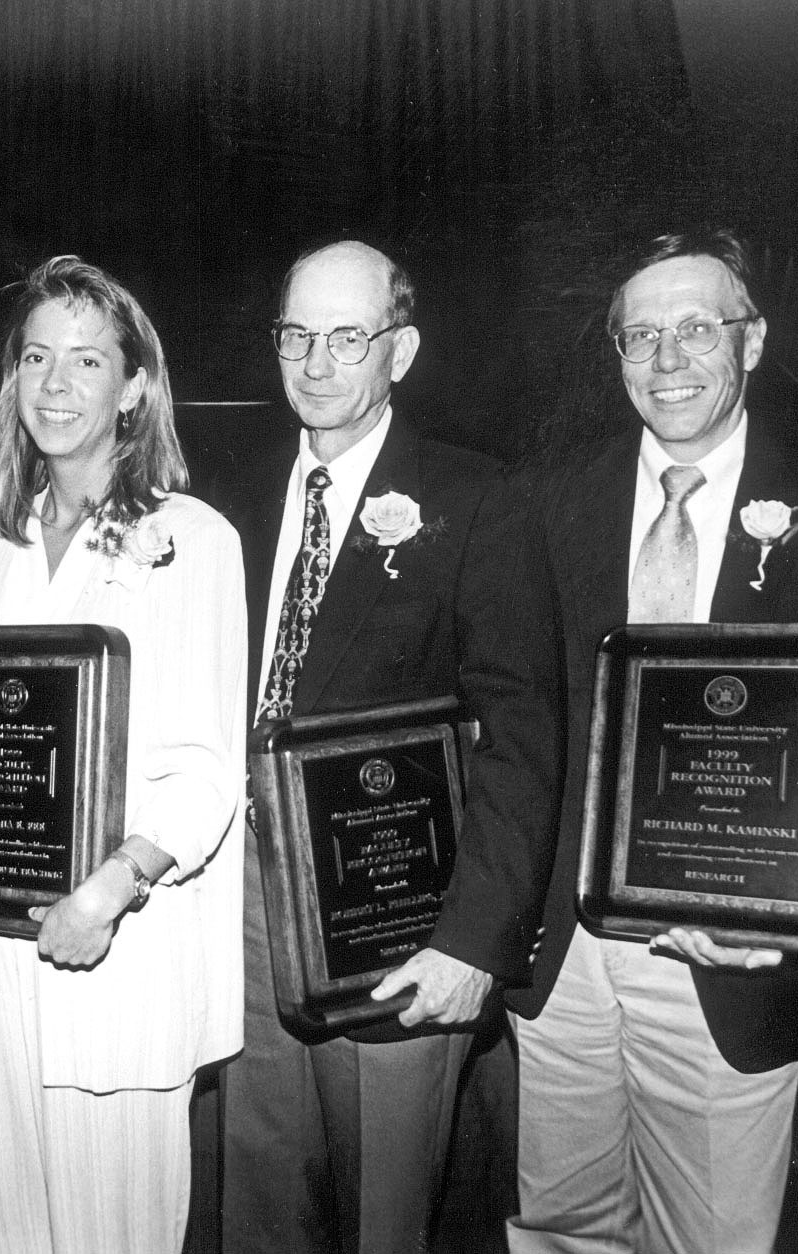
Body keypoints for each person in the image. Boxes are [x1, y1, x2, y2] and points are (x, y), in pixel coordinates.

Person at [507, 228, 798, 1253]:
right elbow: (515, 711)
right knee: (561, 1229)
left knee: (710, 1239)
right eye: (639, 335)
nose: (666, 361)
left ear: (751, 342)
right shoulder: (544, 502)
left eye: (697, 328)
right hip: (560, 956)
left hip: (731, 955)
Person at [205, 240, 563, 1253]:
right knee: (261, 1202)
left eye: (347, 337)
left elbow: (526, 736)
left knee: (386, 1218)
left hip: (400, 920)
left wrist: (472, 942)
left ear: (399, 351)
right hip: (239, 914)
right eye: (297, 335)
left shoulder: (479, 498)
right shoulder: (225, 490)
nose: (316, 363)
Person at [0, 255, 246, 1254]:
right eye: (36, 357)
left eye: (86, 361)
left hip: (114, 951)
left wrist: (115, 884)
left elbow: (211, 766)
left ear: (134, 387)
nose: (54, 384)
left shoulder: (192, 540)